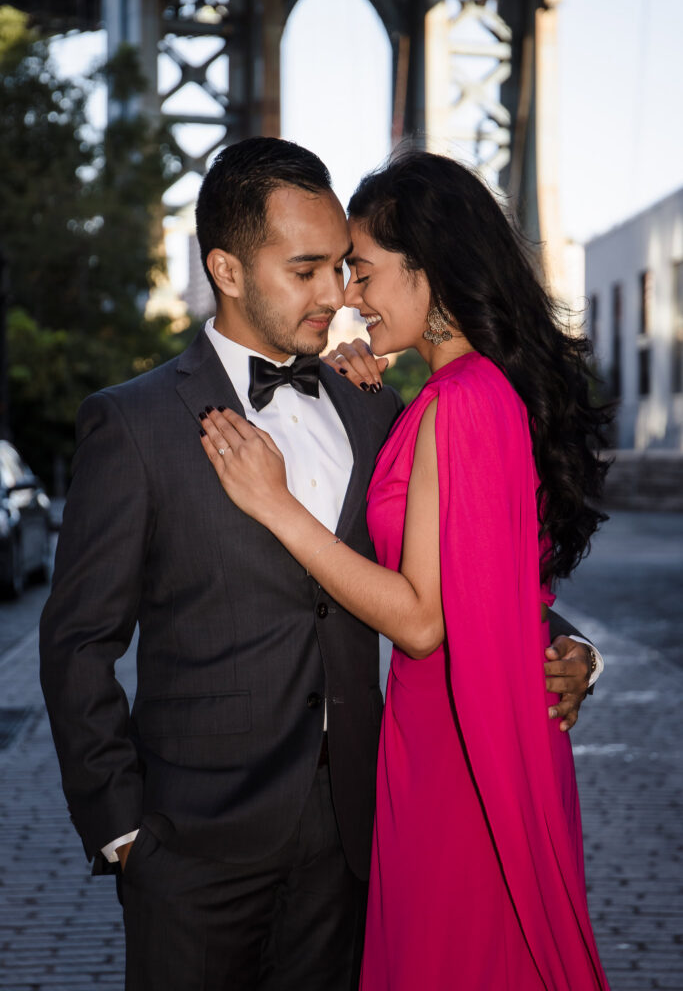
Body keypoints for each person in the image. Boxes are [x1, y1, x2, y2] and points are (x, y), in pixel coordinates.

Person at [40, 137, 598, 991]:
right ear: (226, 270)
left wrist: (567, 649)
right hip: (194, 851)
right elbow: (78, 639)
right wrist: (123, 830)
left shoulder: (372, 403)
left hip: (357, 839)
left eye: (344, 266)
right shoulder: (135, 424)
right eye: (306, 271)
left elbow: (448, 566)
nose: (336, 295)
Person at [197, 148, 611, 989]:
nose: (349, 296)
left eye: (363, 270)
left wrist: (277, 505)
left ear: (433, 269)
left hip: (458, 753)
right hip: (448, 739)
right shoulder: (456, 394)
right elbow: (491, 577)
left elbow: (424, 620)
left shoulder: (460, 402)